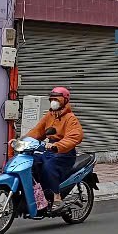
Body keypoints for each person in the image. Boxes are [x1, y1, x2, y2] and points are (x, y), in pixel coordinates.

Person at [24, 86, 84, 214]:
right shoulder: (49, 116)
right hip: (49, 149)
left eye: (56, 99)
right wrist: (22, 141)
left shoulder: (70, 118)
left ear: (65, 100)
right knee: (32, 162)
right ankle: (38, 194)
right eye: (52, 99)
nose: (53, 102)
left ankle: (57, 198)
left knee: (48, 166)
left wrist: (58, 145)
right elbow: (37, 131)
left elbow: (74, 136)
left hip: (64, 152)